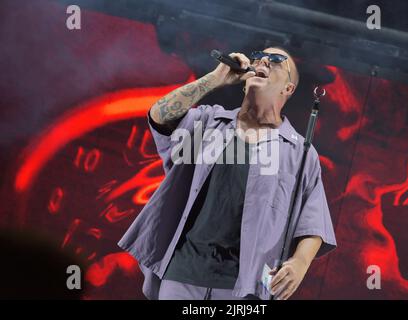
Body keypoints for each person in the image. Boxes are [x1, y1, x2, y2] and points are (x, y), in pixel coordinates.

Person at [118, 47, 337, 300]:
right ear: (245, 84)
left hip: (244, 287)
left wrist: (300, 262)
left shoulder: (300, 152)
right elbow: (159, 115)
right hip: (182, 275)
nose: (263, 60)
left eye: (276, 61)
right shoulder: (208, 122)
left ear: (287, 89)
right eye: (259, 57)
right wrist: (216, 78)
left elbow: (313, 221)